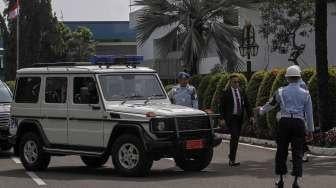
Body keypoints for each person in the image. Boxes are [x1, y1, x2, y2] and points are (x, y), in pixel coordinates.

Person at [255, 66, 314, 188]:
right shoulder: (306, 93)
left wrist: (261, 111)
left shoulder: (281, 91)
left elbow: (271, 104)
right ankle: (296, 181)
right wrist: (310, 130)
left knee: (281, 151)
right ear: (299, 78)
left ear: (287, 78)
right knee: (297, 152)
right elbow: (309, 113)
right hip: (299, 123)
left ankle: (280, 179)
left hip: (285, 122)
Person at [219, 74, 253, 167]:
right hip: (231, 118)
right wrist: (222, 118)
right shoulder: (226, 92)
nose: (237, 83)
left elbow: (247, 104)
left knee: (236, 137)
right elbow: (221, 107)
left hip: (239, 118)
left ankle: (231, 157)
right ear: (230, 82)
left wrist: (251, 116)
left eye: (238, 82)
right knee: (234, 136)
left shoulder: (241, 91)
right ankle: (232, 159)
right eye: (234, 82)